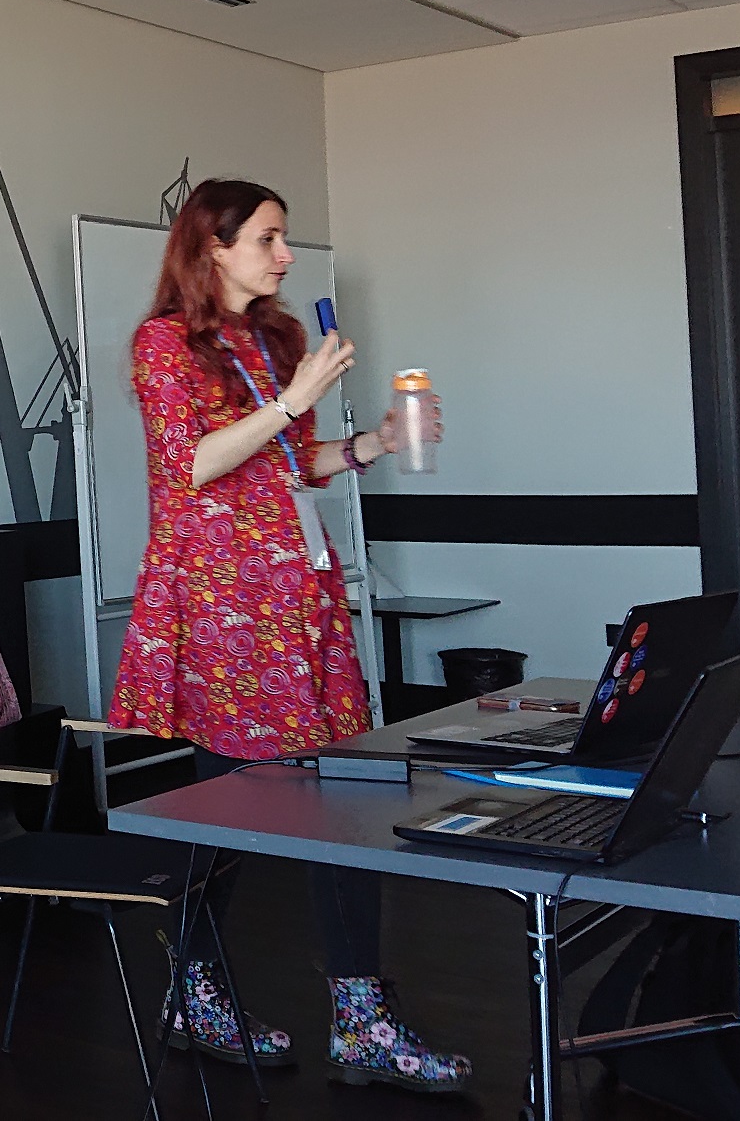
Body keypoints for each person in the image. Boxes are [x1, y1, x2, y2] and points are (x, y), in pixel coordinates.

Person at [107, 177, 468, 1094]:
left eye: (283, 237)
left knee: (331, 789)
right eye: (268, 237)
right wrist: (293, 397)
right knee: (229, 803)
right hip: (220, 602)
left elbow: (286, 464)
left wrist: (371, 445)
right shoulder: (163, 344)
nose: (286, 255)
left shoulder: (277, 339)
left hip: (297, 594)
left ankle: (348, 1014)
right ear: (213, 246)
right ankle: (213, 994)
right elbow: (190, 465)